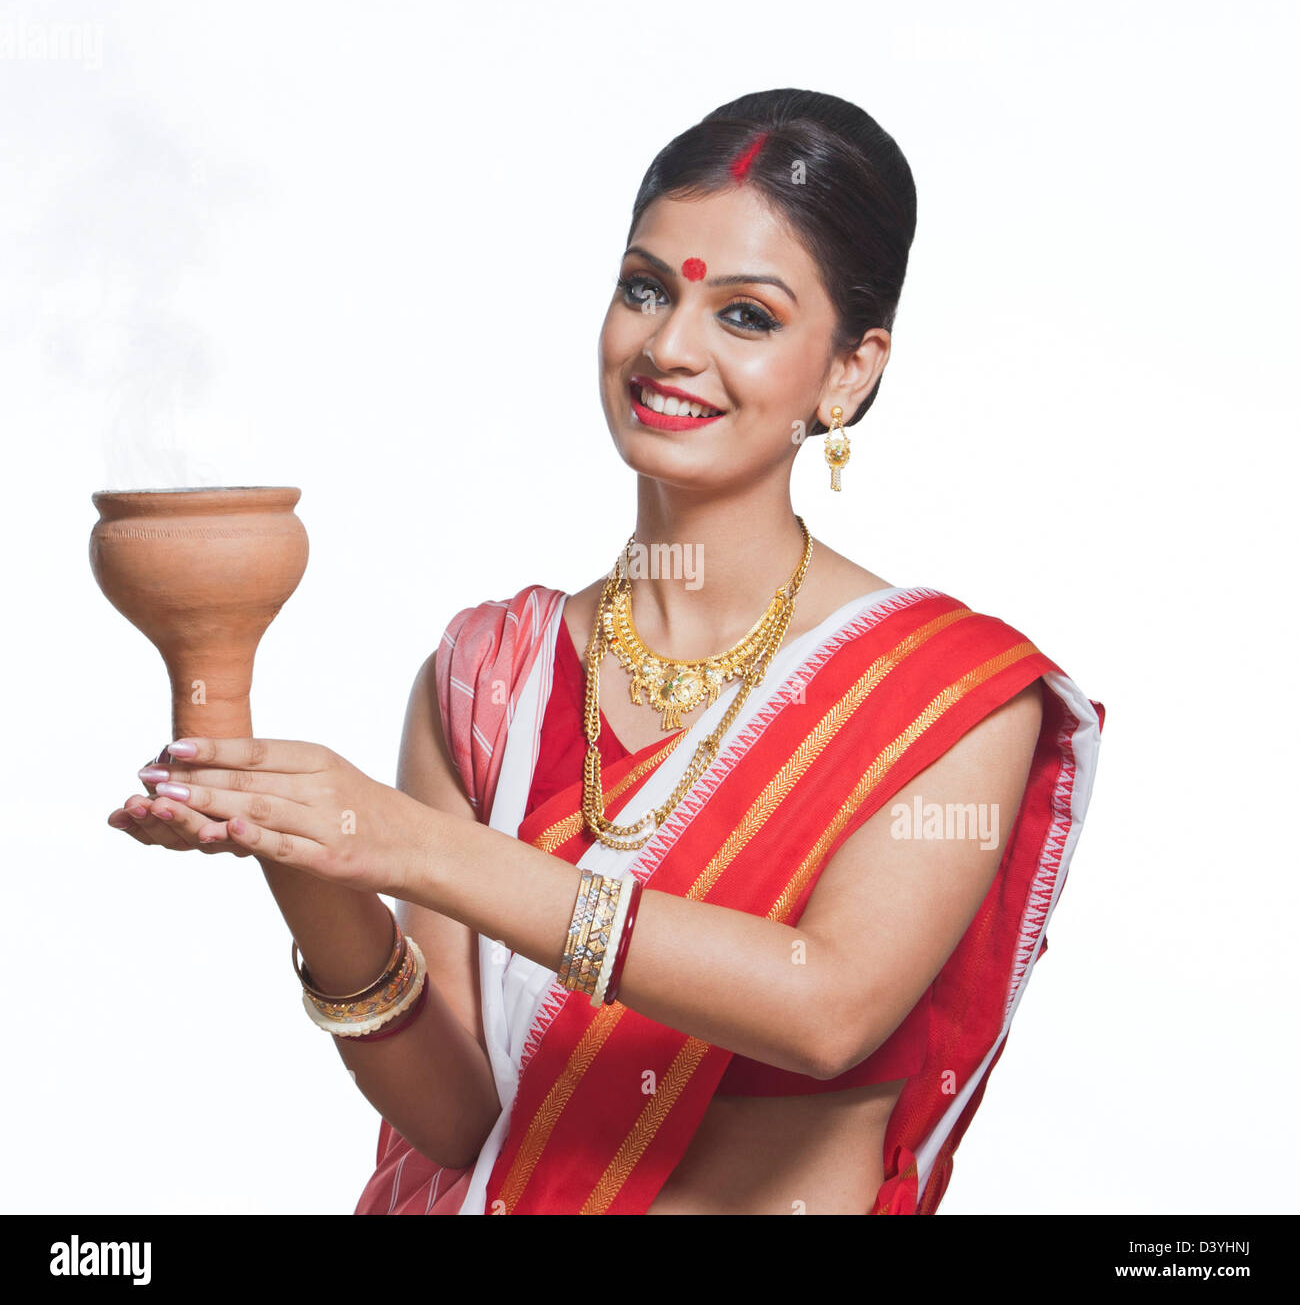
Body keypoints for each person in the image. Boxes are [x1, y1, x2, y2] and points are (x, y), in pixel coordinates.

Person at [108, 88, 1104, 1215]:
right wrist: (308, 854)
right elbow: (458, 1115)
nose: (668, 346)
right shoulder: (489, 678)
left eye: (747, 316)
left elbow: (823, 1009)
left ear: (848, 372)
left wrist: (416, 849)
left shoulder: (943, 694)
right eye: (643, 289)